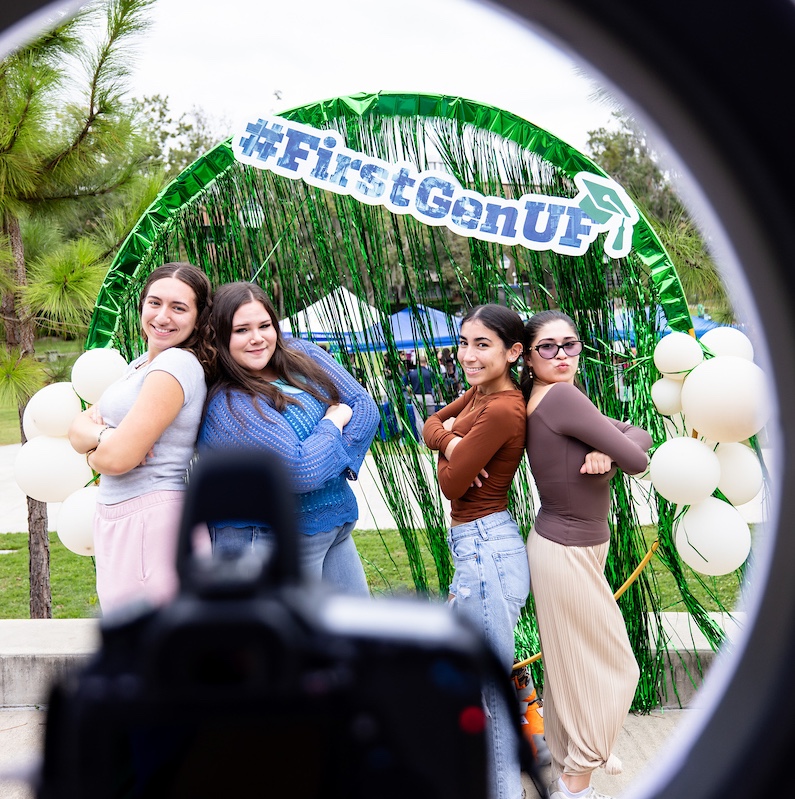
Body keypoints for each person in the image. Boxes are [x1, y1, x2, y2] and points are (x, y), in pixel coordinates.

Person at [521, 310, 653, 799]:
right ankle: (577, 785)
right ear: (529, 356)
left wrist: (608, 451)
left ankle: (573, 771)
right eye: (548, 348)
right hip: (567, 549)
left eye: (570, 345)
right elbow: (638, 457)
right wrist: (618, 451)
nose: (561, 356)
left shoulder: (555, 398)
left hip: (570, 548)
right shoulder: (562, 397)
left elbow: (635, 433)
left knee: (570, 665)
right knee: (613, 664)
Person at [197, 281, 379, 596]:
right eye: (241, 330)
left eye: (264, 325)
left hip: (334, 525)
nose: (257, 338)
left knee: (354, 635)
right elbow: (300, 472)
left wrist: (322, 458)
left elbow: (365, 407)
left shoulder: (300, 353)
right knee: (294, 643)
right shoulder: (230, 404)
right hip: (274, 541)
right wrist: (333, 423)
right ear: (221, 336)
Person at [423, 304, 531, 799]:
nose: (468, 354)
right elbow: (430, 423)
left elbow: (451, 484)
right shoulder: (481, 391)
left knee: (488, 693)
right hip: (474, 546)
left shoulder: (504, 406)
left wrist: (450, 453)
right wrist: (452, 442)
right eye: (464, 342)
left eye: (482, 345)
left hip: (487, 546)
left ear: (513, 353)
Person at [68, 262, 213, 613]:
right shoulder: (140, 365)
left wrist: (97, 447)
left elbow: (117, 460)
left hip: (152, 522)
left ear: (197, 318)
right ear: (142, 305)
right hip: (122, 517)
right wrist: (104, 437)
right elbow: (77, 429)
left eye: (179, 308)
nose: (163, 316)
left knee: (154, 651)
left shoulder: (175, 365)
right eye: (155, 302)